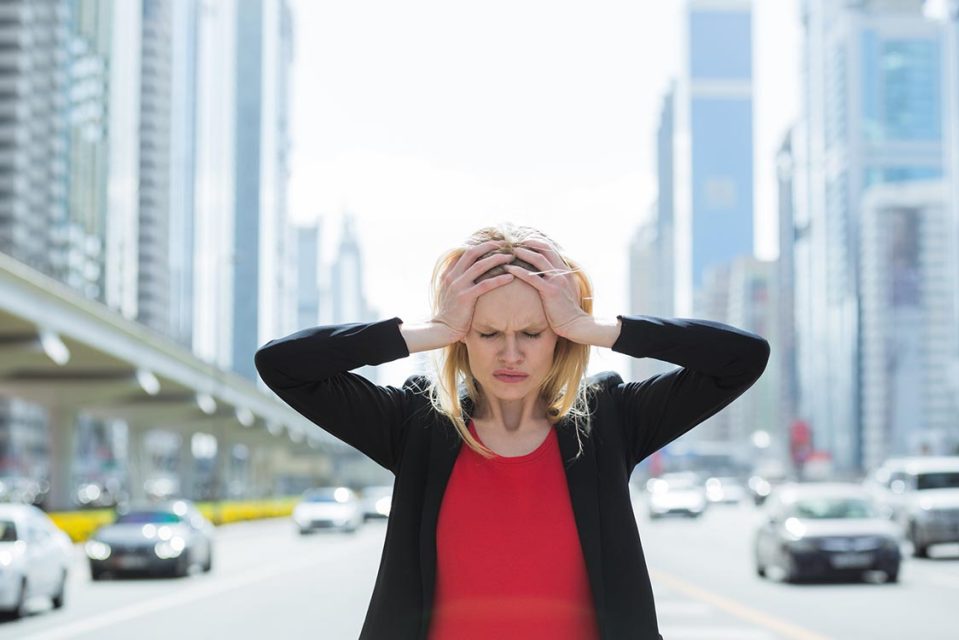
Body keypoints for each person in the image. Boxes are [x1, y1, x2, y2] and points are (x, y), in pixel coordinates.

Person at [254, 223, 770, 640]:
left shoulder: (610, 419)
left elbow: (742, 358)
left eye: (532, 332)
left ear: (559, 337)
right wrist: (427, 332)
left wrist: (596, 328)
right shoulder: (418, 424)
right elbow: (283, 366)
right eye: (487, 333)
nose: (511, 353)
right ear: (463, 338)